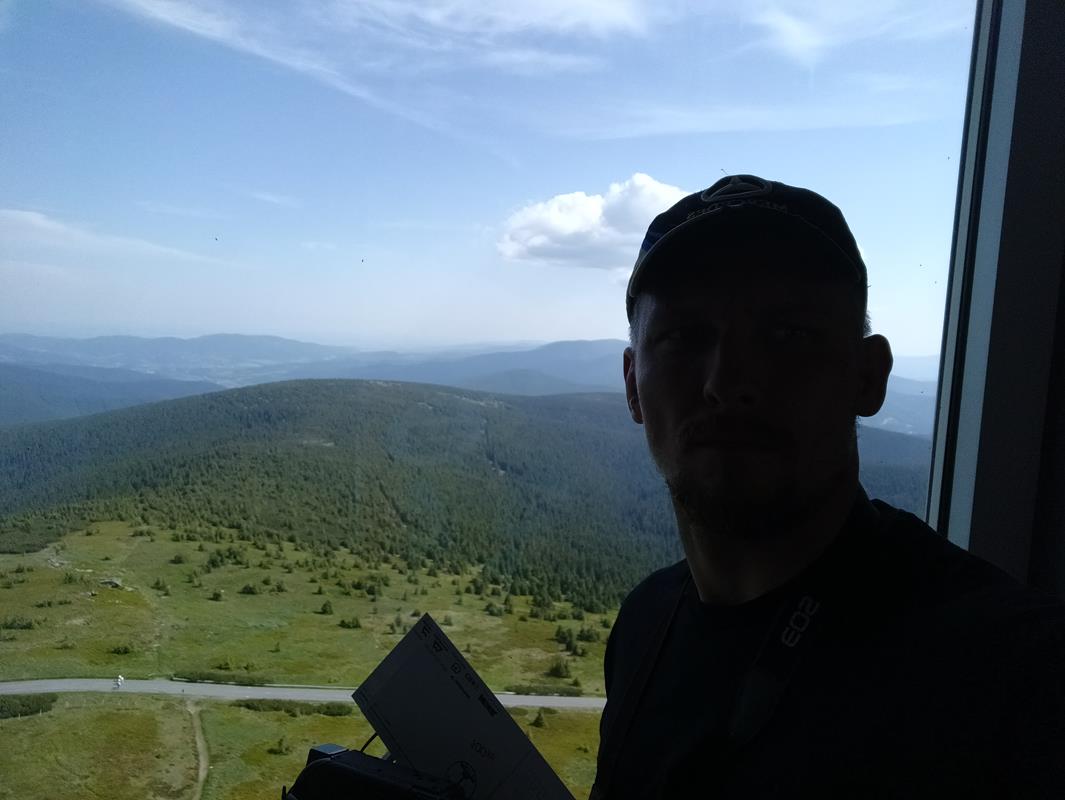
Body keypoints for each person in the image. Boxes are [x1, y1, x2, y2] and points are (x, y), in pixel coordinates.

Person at [591, 175, 1065, 799]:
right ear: (633, 385)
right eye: (684, 337)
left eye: (788, 335)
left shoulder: (1014, 673)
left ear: (868, 377)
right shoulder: (644, 624)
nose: (727, 383)